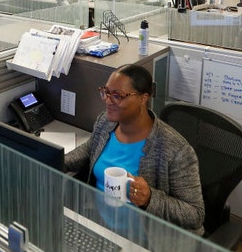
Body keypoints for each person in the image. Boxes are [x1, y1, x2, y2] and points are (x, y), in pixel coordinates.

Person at [64, 64, 205, 235]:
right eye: (106, 92)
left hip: (145, 238)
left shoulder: (175, 149)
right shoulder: (105, 122)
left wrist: (150, 198)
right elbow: (89, 149)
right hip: (99, 223)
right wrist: (57, 159)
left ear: (143, 98)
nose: (108, 101)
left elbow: (195, 214)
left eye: (118, 95)